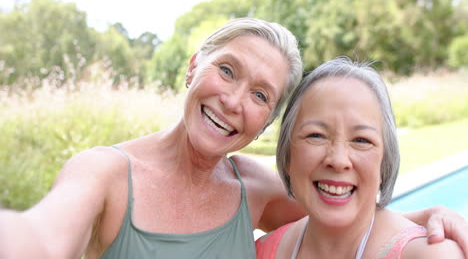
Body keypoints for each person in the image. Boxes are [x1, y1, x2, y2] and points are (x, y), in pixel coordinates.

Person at [0, 18, 466, 259]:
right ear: (192, 67)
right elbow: (40, 237)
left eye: (260, 95)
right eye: (227, 70)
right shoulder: (103, 172)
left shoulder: (255, 190)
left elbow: (344, 209)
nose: (233, 100)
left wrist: (428, 214)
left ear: (266, 123)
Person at [255, 57, 465, 258]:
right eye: (316, 135)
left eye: (362, 140)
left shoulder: (430, 254)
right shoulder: (260, 252)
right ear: (288, 154)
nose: (338, 160)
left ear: (384, 162)